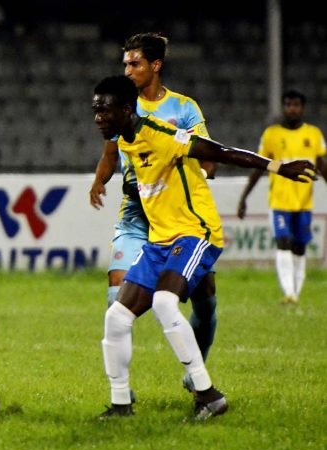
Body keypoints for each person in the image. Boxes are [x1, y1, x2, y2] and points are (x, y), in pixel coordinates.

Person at [91, 75, 315, 420]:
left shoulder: (162, 136)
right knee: (117, 317)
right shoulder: (126, 140)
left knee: (165, 303)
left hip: (195, 233)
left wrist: (278, 167)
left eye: (104, 111)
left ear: (125, 109)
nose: (98, 118)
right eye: (95, 111)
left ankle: (208, 395)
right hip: (160, 239)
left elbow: (220, 152)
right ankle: (121, 404)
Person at [89, 33, 219, 393]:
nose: (128, 69)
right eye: (125, 63)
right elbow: (110, 154)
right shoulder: (119, 104)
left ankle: (196, 373)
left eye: (135, 63)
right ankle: (122, 391)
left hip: (178, 214)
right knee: (117, 295)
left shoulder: (183, 108)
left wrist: (201, 172)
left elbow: (207, 154)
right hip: (136, 210)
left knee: (204, 300)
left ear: (155, 65)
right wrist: (99, 181)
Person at [237, 90, 327, 304]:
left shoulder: (313, 134)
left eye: (296, 105)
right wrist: (244, 197)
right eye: (288, 105)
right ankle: (289, 292)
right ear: (283, 107)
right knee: (284, 241)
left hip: (304, 202)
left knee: (299, 246)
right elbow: (258, 168)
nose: (292, 109)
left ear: (302, 107)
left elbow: (322, 166)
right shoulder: (271, 135)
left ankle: (295, 292)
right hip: (279, 202)